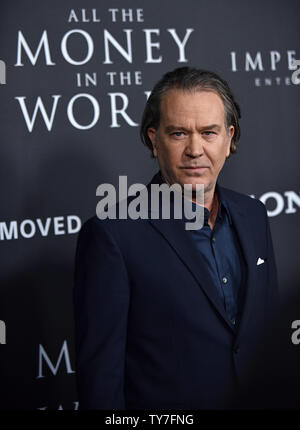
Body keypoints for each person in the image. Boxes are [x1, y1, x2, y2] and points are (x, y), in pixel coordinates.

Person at [73, 67, 280, 410]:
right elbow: (101, 384)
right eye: (179, 133)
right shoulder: (114, 234)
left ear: (229, 139)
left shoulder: (254, 215)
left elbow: (267, 339)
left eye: (209, 133)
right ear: (154, 140)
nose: (195, 149)